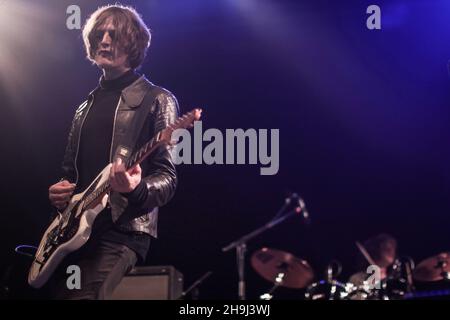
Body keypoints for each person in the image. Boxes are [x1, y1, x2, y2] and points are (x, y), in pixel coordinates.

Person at [46, 5, 179, 299]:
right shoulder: (84, 107)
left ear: (133, 45)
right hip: (74, 233)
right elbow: (71, 174)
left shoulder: (157, 100)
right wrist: (60, 194)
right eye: (99, 34)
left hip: (121, 231)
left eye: (114, 35)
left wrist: (136, 189)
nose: (104, 41)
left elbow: (167, 178)